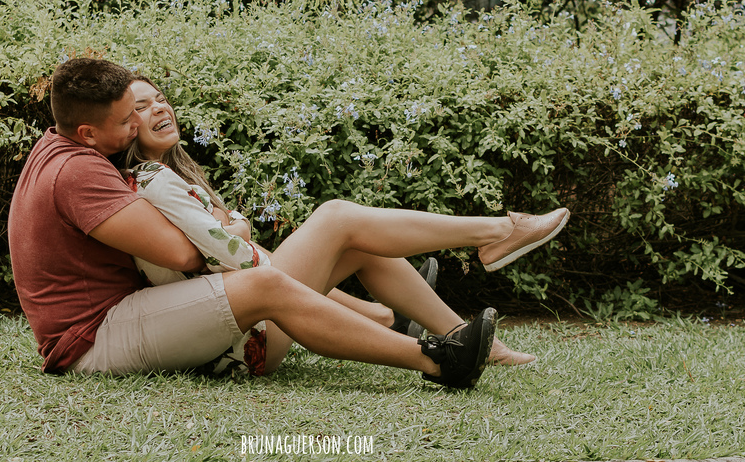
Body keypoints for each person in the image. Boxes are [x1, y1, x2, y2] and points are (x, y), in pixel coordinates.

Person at [8, 58, 569, 389]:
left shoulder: (86, 151)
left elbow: (199, 255)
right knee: (314, 237)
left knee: (347, 232)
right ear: (90, 131)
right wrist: (233, 230)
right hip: (103, 339)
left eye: (152, 103)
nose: (142, 120)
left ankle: (467, 315)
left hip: (155, 318)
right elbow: (188, 256)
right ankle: (445, 345)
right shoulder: (103, 173)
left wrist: (226, 229)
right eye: (129, 117)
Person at [120, 76, 561, 369]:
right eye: (142, 106)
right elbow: (233, 255)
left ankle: (466, 337)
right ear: (124, 125)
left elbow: (226, 239)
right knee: (336, 217)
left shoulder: (171, 174)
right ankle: (497, 231)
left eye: (161, 99)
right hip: (242, 338)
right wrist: (239, 227)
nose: (160, 108)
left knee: (358, 241)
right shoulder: (151, 179)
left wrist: (234, 226)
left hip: (244, 324)